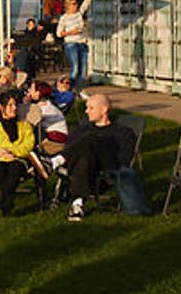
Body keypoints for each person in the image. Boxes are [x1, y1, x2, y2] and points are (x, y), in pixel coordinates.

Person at [58, 92, 139, 222]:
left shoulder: (123, 132)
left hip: (109, 166)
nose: (86, 111)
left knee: (91, 139)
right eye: (86, 107)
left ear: (104, 109)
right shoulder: (82, 129)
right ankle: (77, 205)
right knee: (85, 157)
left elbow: (125, 159)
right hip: (84, 169)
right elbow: (70, 150)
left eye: (91, 108)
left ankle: (55, 161)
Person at [0, 89, 36, 215]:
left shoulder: (24, 125)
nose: (14, 108)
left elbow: (28, 145)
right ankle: (7, 203)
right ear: (1, 107)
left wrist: (12, 152)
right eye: (10, 105)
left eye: (15, 105)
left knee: (14, 169)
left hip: (17, 159)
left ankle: (1, 201)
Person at [57, 0, 91, 89]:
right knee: (75, 68)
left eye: (76, 4)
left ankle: (79, 89)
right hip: (71, 44)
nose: (76, 5)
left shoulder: (79, 14)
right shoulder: (64, 18)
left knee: (83, 70)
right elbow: (59, 33)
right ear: (68, 6)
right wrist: (71, 32)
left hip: (82, 43)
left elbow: (86, 2)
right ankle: (70, 88)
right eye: (73, 4)